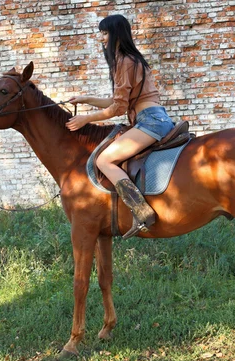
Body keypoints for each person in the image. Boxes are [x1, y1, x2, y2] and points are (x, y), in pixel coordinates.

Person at [66, 14, 175, 239]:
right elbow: (115, 102)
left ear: (116, 34)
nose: (102, 39)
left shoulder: (123, 61)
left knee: (103, 160)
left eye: (105, 33)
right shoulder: (131, 59)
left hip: (150, 121)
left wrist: (86, 119)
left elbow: (117, 109)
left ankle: (141, 210)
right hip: (154, 118)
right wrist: (86, 99)